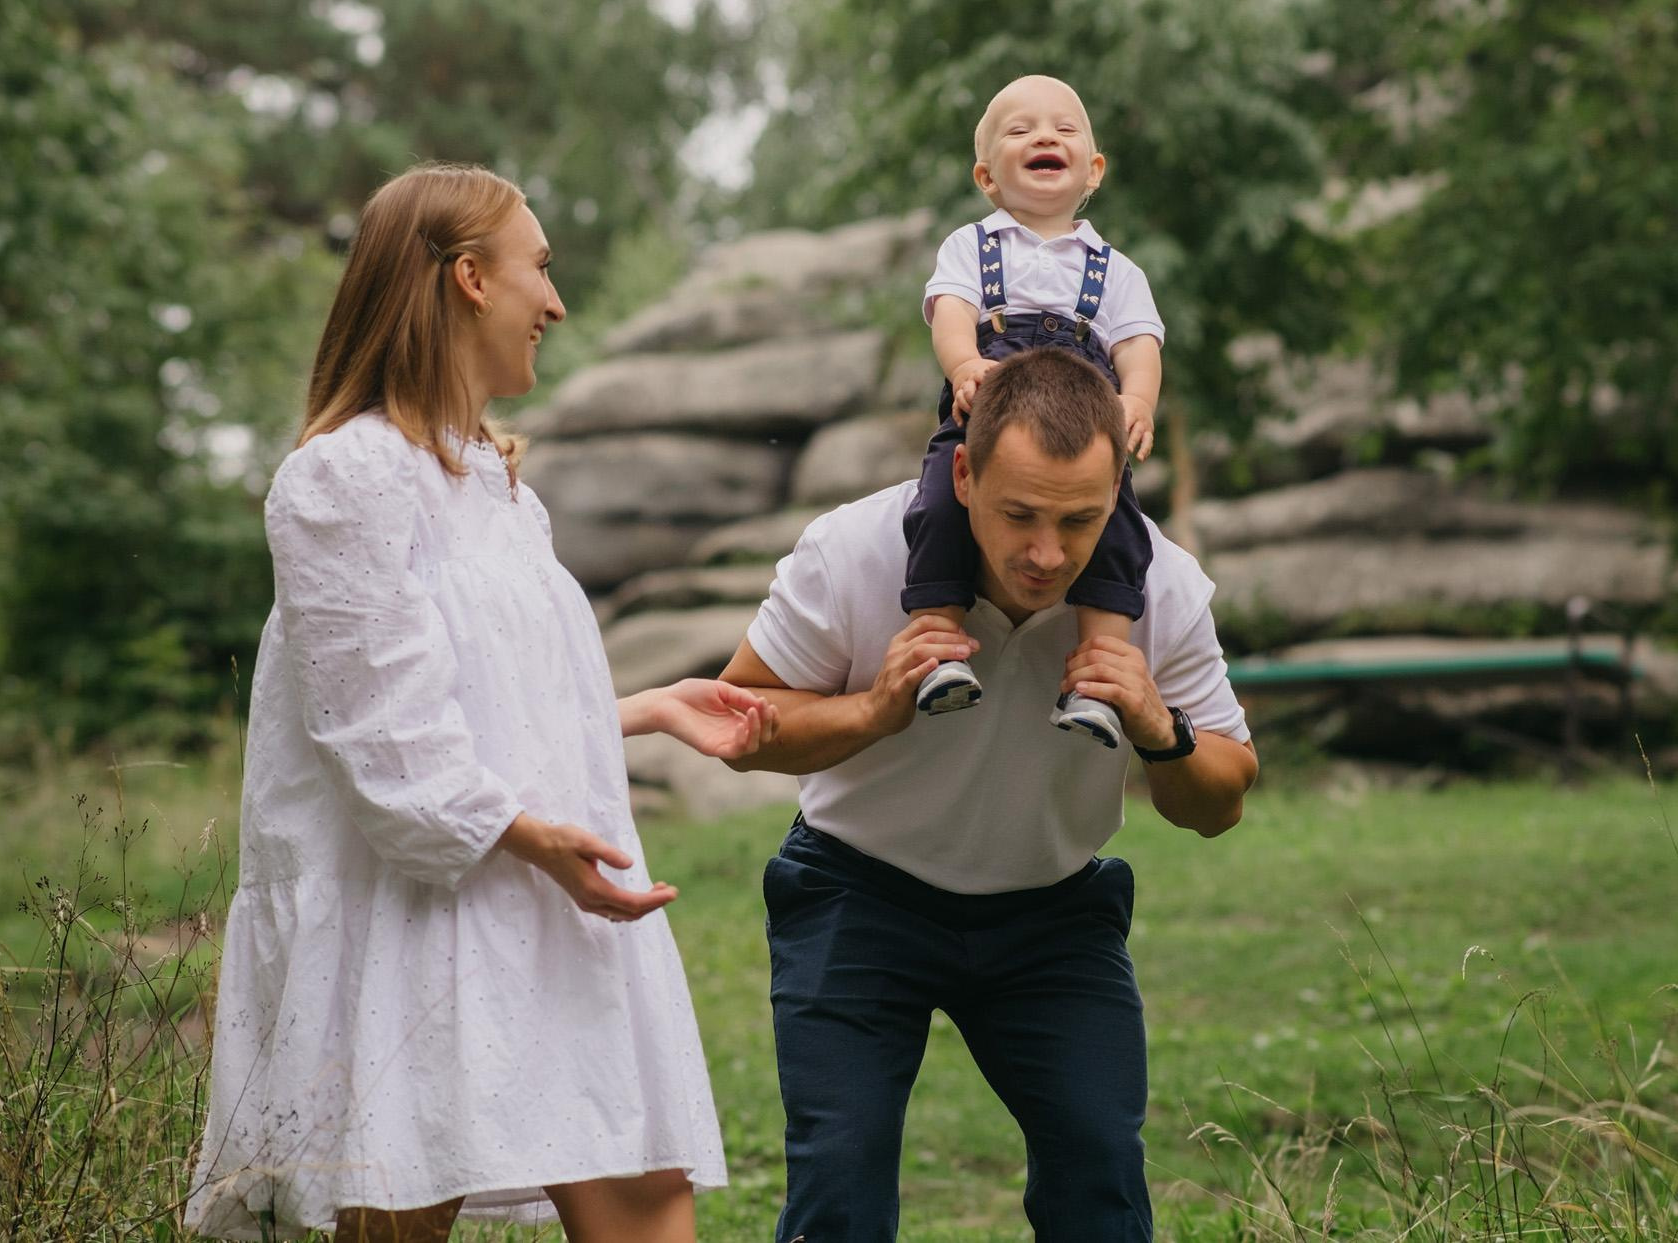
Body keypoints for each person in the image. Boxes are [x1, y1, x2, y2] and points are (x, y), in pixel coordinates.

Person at [185, 162, 775, 1242]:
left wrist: (640, 708)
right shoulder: (342, 481)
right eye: (538, 270)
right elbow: (378, 728)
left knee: (644, 1187)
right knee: (393, 1214)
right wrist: (520, 835)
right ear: (466, 279)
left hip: (549, 892)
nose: (555, 304)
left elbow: (500, 698)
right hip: (416, 916)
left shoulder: (501, 492)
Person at [713, 348, 1259, 1242]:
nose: (1047, 553)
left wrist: (1163, 730)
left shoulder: (1161, 585)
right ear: (962, 472)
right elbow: (745, 723)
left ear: (1119, 487)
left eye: (1081, 520)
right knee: (838, 1187)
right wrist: (872, 710)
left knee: (1102, 1176)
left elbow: (1222, 801)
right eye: (1020, 515)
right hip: (859, 893)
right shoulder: (853, 548)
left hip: (1052, 915)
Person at [903, 74, 1166, 751]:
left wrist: (1136, 399)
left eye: (1063, 129)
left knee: (1119, 528)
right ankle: (939, 651)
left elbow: (1139, 345)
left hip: (1084, 426)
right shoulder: (971, 246)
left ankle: (1097, 680)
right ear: (987, 175)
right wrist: (964, 365)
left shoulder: (1117, 270)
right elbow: (952, 314)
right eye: (1021, 130)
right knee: (937, 503)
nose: (1044, 136)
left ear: (1094, 169)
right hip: (987, 408)